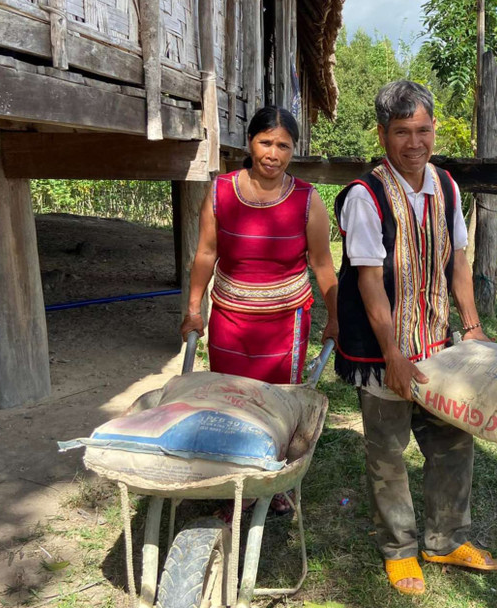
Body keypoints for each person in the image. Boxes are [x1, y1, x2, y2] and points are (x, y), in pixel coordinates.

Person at [333, 80, 497, 595]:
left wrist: (470, 328)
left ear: (435, 130)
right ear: (382, 134)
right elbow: (368, 280)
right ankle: (401, 548)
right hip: (385, 350)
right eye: (402, 131)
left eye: (423, 129)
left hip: (440, 344)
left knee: (453, 443)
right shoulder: (366, 197)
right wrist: (393, 357)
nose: (414, 142)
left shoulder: (447, 188)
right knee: (387, 452)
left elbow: (459, 263)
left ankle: (445, 540)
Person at [180, 106, 338, 514]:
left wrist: (335, 316)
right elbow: (206, 253)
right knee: (230, 402)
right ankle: (232, 480)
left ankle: (272, 480)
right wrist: (194, 307)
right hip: (231, 320)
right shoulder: (220, 192)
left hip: (286, 324)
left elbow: (322, 264)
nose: (273, 153)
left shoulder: (307, 200)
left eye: (283, 145)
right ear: (249, 143)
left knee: (276, 405)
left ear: (293, 151)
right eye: (265, 142)